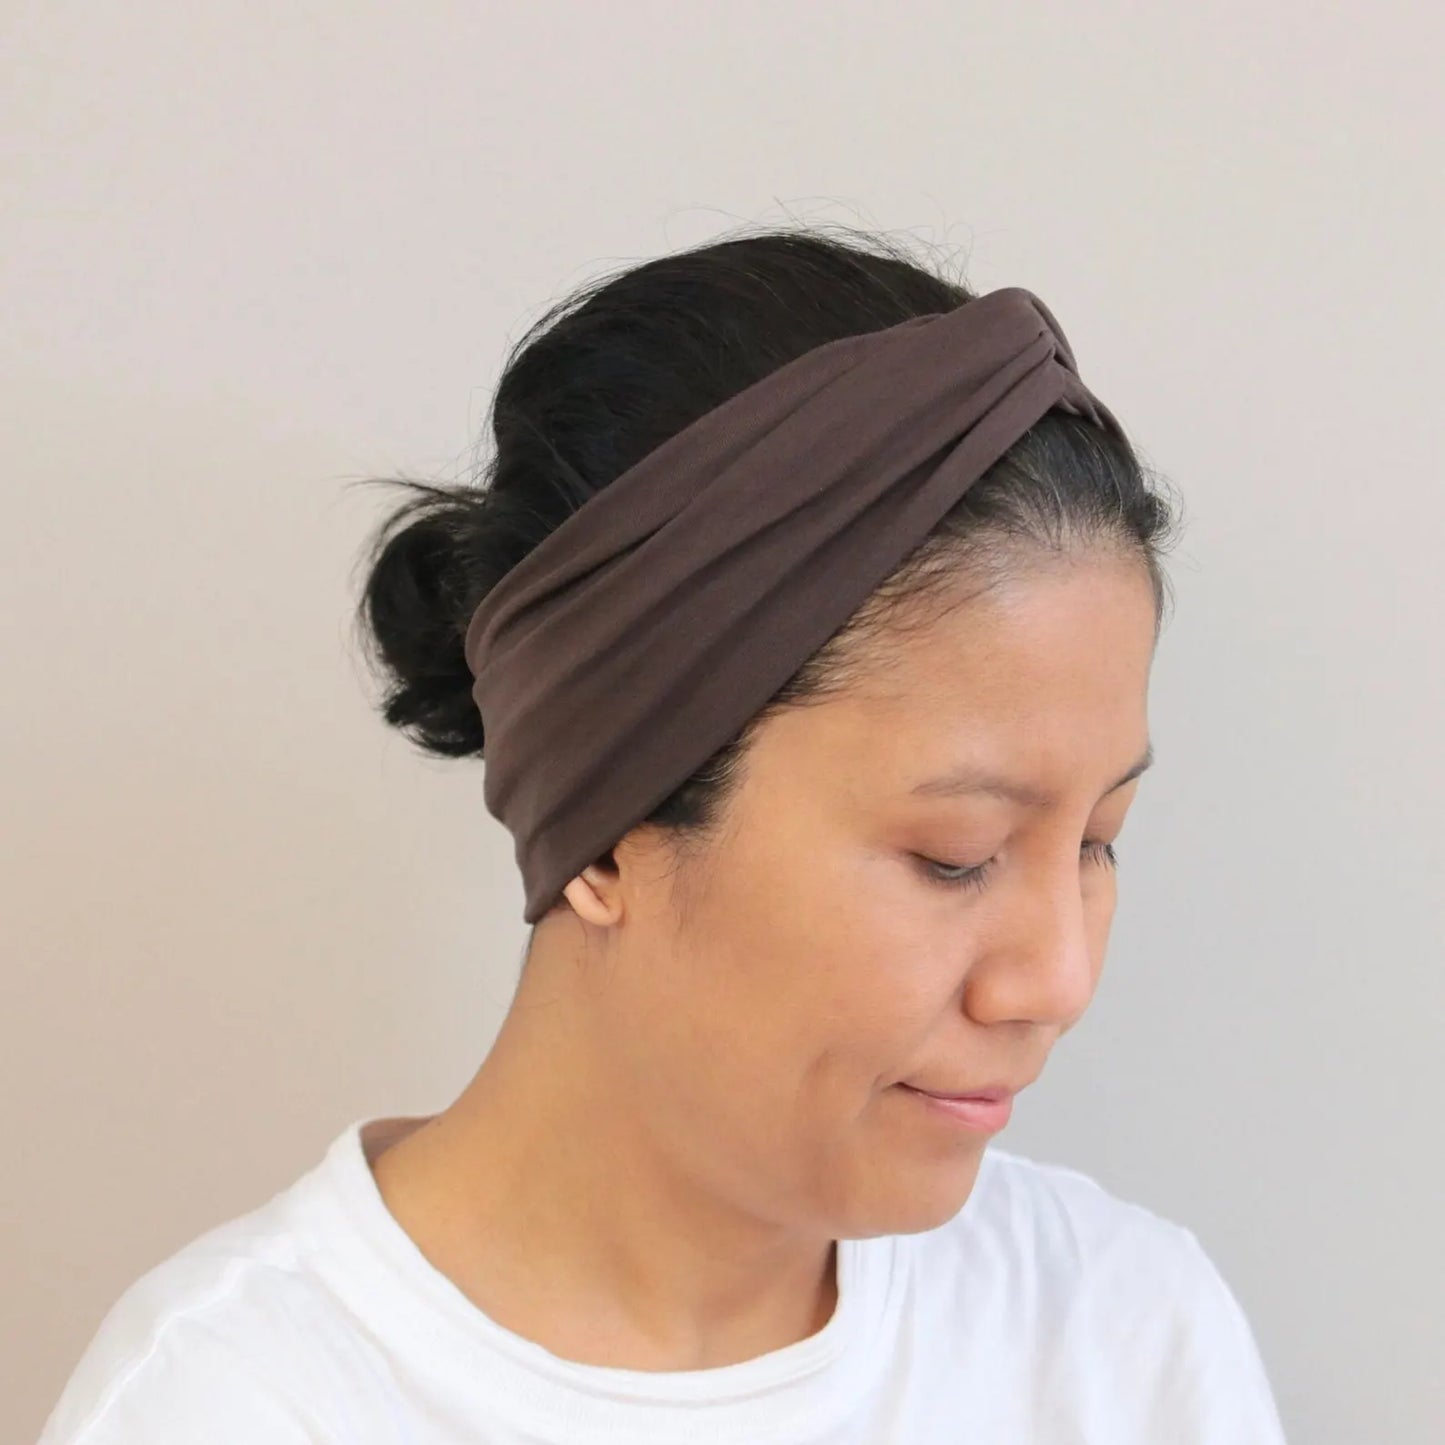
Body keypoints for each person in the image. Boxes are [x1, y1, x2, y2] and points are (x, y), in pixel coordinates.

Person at [39, 224, 1289, 1442]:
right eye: (952, 855)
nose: (1057, 979)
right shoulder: (236, 1404)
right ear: (608, 829)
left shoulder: (1121, 1340)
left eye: (1096, 840)